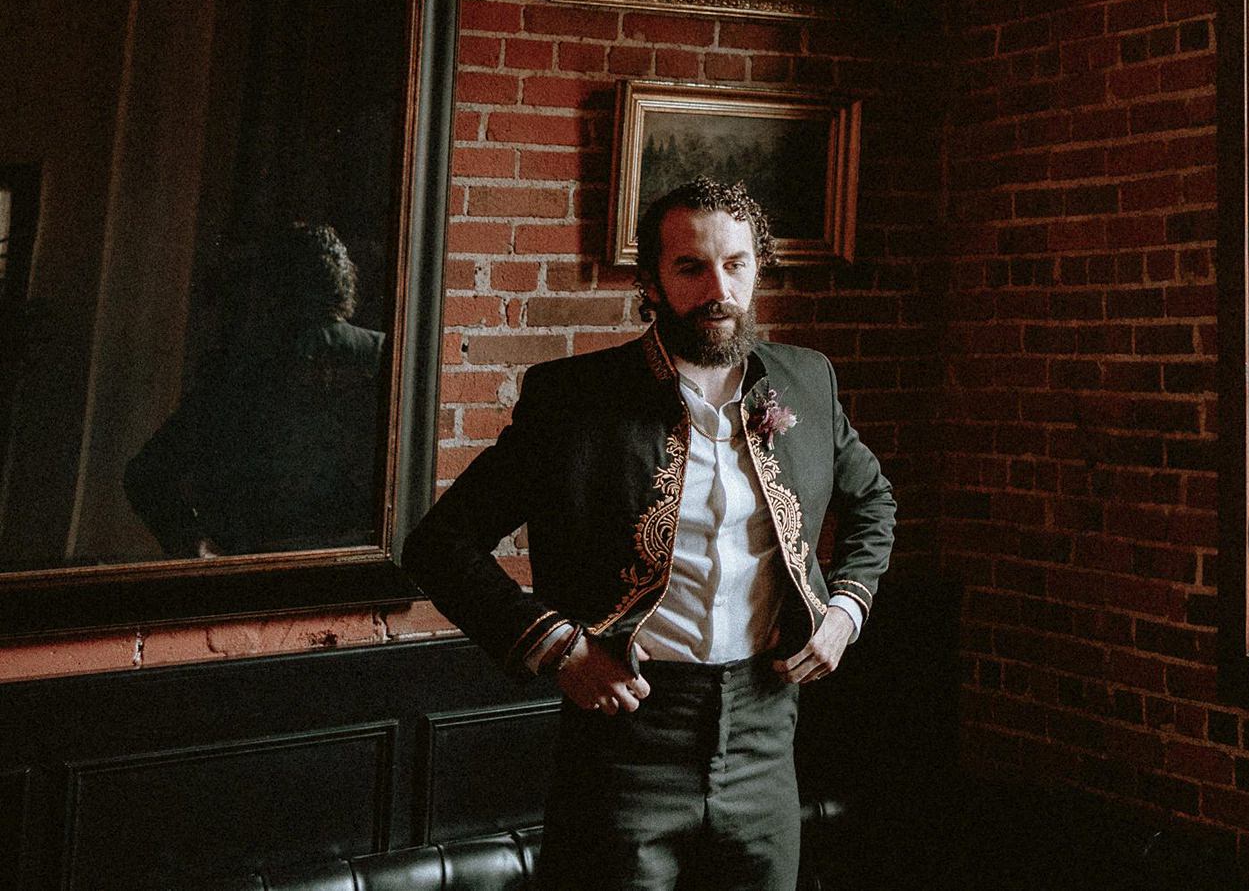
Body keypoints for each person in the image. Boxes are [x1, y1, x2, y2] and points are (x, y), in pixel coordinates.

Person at [404, 178, 895, 891]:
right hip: (627, 743)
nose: (717, 288)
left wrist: (844, 613)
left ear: (760, 268)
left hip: (767, 733)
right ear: (653, 282)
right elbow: (440, 544)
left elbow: (874, 500)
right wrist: (560, 648)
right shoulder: (574, 401)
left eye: (736, 264)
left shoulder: (807, 380)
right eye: (690, 267)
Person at [125, 221, 386, 556]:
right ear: (342, 282)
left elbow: (146, 474)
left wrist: (196, 545)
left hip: (260, 570)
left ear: (269, 291)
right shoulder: (385, 357)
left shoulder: (242, 370)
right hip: (359, 566)